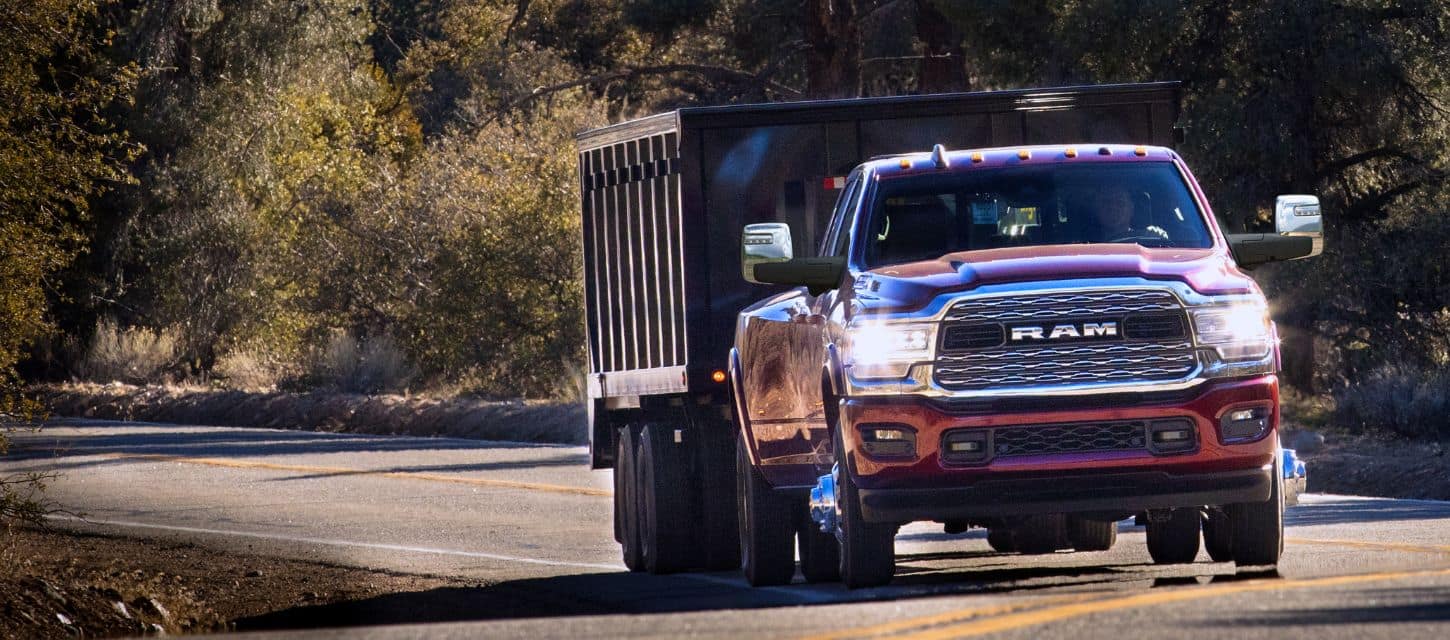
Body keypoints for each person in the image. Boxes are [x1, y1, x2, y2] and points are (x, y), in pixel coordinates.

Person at [1090, 186, 1167, 242]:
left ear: (1131, 209)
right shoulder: (1081, 244)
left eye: (1120, 203)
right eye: (1106, 202)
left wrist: (1159, 238)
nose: (1113, 207)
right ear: (1096, 208)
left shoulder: (1149, 238)